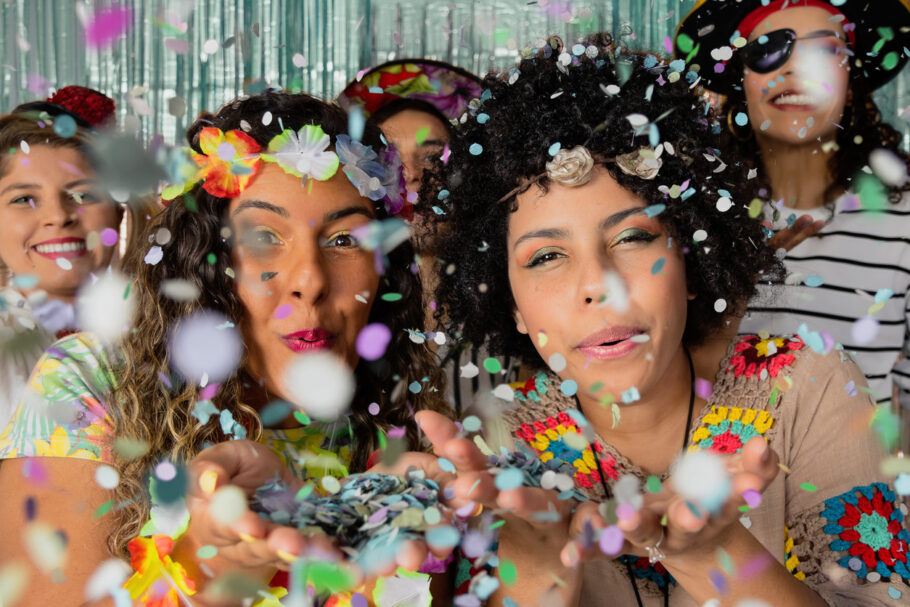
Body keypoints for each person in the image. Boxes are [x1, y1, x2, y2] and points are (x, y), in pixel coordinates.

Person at [423, 35, 908, 605]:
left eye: (633, 237)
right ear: (512, 306)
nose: (597, 287)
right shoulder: (498, 442)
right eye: (546, 256)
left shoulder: (808, 386)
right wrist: (533, 576)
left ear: (690, 256)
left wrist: (711, 555)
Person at [0, 91, 452, 606]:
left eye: (345, 240)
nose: (309, 280)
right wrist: (210, 572)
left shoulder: (408, 427)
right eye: (262, 235)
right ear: (205, 262)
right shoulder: (90, 383)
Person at [674, 0, 910, 433]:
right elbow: (664, 394)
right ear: (739, 78)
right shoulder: (690, 217)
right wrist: (734, 280)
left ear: (851, 79)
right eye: (768, 48)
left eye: (823, 51)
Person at [339, 60, 519, 416]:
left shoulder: (517, 313)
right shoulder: (342, 318)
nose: (411, 176)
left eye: (435, 158)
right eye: (388, 158)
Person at [0, 85, 152, 430]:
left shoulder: (165, 329)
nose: (58, 216)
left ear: (118, 213)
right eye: (24, 199)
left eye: (84, 194)